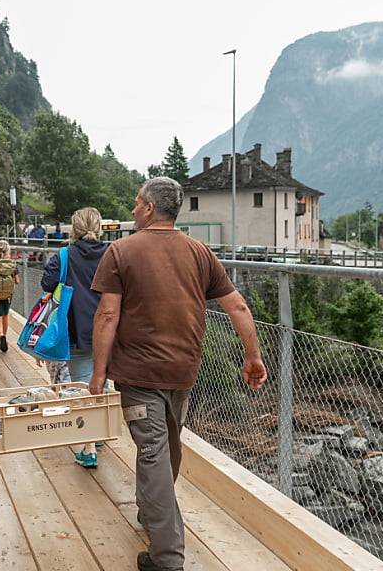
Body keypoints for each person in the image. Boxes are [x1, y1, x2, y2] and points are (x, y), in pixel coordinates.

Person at [89, 177, 267, 571]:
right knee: (167, 448)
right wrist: (252, 357)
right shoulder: (201, 253)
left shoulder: (121, 251)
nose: (133, 209)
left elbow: (106, 314)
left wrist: (98, 375)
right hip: (184, 372)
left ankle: (167, 558)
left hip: (137, 375)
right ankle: (153, 512)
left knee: (154, 453)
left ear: (149, 208)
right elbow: (237, 306)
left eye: (136, 203)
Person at [40, 207, 109, 468]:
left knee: (82, 385)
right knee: (101, 380)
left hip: (76, 329)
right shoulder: (111, 253)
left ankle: (88, 449)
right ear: (99, 226)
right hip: (109, 329)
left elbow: (47, 283)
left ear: (74, 228)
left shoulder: (65, 255)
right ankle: (99, 433)